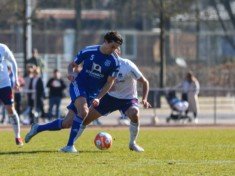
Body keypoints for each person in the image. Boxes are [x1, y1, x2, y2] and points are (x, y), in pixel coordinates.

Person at [25, 49, 151, 153]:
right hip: (106, 97)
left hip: (127, 99)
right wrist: (74, 74)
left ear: (119, 52)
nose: (113, 52)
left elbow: (144, 81)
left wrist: (144, 99)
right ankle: (68, 144)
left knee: (134, 113)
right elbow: (85, 71)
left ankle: (132, 143)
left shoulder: (127, 65)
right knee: (77, 120)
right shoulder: (101, 60)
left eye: (115, 49)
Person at [25, 31, 123, 150]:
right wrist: (71, 73)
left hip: (92, 93)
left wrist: (98, 97)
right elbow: (72, 65)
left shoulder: (115, 62)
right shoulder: (89, 50)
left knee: (66, 123)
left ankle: (37, 128)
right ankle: (70, 146)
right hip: (79, 85)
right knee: (84, 112)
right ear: (106, 41)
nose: (114, 50)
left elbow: (109, 82)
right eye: (112, 46)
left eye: (116, 48)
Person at [0, 43, 23, 146]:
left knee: (10, 109)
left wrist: (16, 80)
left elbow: (13, 62)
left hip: (5, 85)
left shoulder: (3, 48)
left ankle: (17, 136)